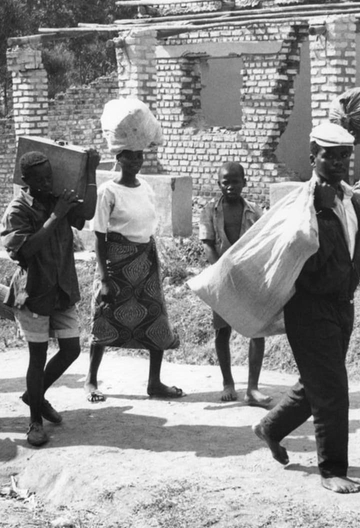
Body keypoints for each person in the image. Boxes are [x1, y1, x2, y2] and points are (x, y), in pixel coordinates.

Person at [253, 121, 360, 494]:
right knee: (331, 386)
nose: (338, 162)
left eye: (344, 155)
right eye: (329, 155)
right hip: (309, 307)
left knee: (317, 382)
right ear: (313, 155)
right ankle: (331, 469)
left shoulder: (349, 199)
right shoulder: (303, 201)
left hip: (342, 304)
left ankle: (271, 427)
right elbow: (292, 250)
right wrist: (316, 209)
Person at [0, 149, 99, 447]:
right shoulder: (18, 209)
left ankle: (35, 394)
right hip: (34, 292)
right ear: (25, 180)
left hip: (62, 287)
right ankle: (34, 422)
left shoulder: (56, 200)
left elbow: (87, 216)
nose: (46, 183)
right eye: (39, 179)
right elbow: (24, 251)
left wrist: (90, 172)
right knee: (37, 356)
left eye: (49, 177)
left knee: (71, 350)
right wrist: (56, 216)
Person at [84, 148, 183, 402]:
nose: (135, 162)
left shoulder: (146, 188)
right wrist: (105, 279)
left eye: (139, 156)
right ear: (118, 158)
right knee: (104, 316)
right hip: (115, 262)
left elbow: (148, 226)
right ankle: (91, 381)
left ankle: (155, 382)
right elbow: (99, 235)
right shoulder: (108, 191)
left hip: (145, 260)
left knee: (154, 316)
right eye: (129, 156)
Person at [199, 161, 272, 405]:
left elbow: (263, 241)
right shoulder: (210, 209)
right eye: (225, 182)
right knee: (222, 330)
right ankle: (228, 383)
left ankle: (252, 387)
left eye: (235, 181)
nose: (230, 186)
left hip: (249, 276)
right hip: (221, 277)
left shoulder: (255, 210)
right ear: (218, 183)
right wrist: (221, 272)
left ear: (245, 182)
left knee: (257, 329)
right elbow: (208, 243)